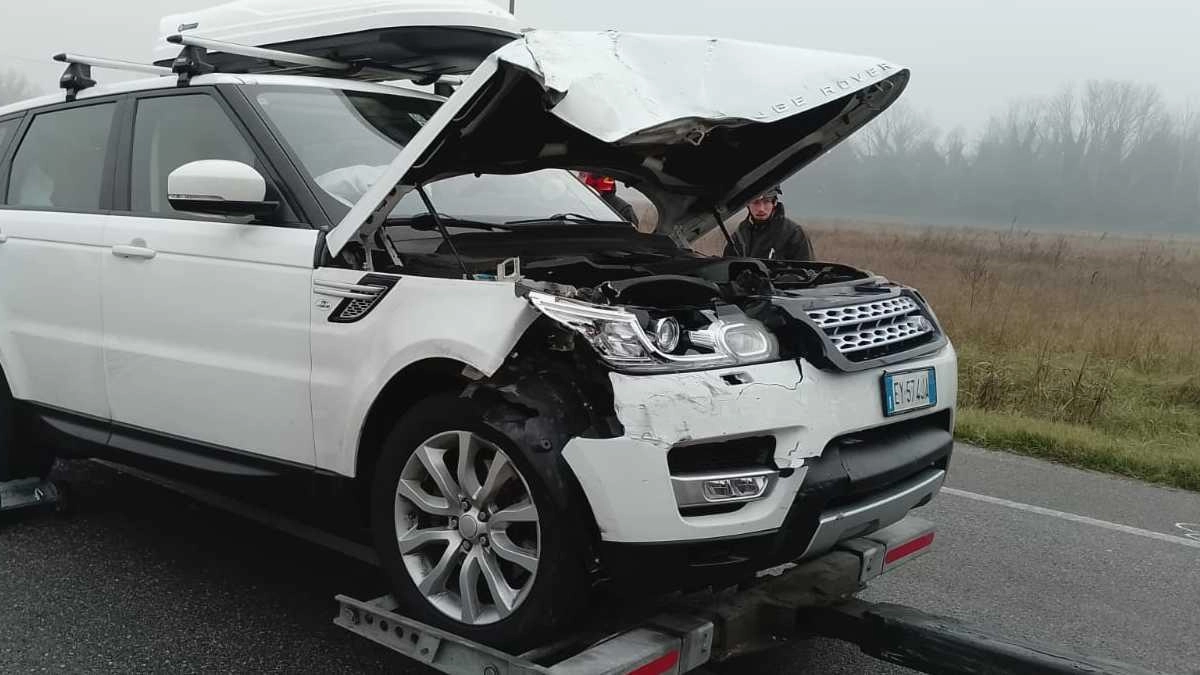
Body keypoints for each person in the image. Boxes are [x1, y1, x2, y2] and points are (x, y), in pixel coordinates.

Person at [724, 186, 813, 260]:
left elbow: (807, 273)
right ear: (747, 204)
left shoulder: (794, 233)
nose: (761, 209)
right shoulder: (739, 235)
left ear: (774, 203)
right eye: (755, 202)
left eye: (766, 202)